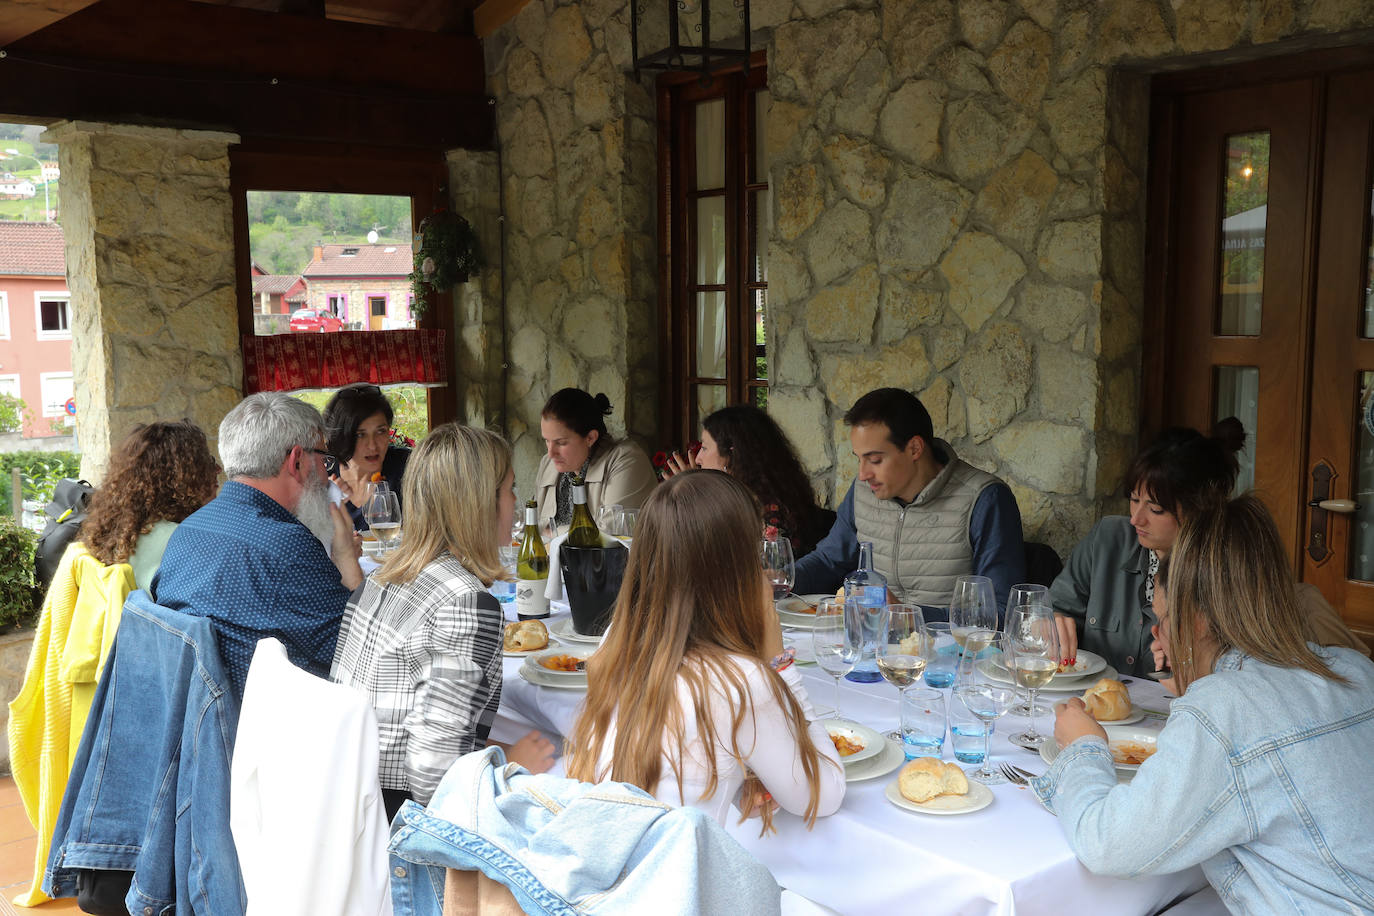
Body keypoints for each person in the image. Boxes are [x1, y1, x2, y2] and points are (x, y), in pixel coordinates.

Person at [1034, 495, 1374, 911]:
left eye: (1162, 619)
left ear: (1196, 619)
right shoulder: (1354, 668)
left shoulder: (1226, 708)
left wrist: (1084, 747)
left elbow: (1106, 844)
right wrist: (1195, 678)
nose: (1156, 635)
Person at [566, 470, 845, 830]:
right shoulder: (739, 680)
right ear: (733, 571)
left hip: (607, 861)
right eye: (756, 553)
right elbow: (823, 795)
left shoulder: (615, 643)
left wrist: (747, 768)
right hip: (672, 879)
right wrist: (779, 663)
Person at [331, 424, 555, 820]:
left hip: (350, 802)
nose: (515, 503)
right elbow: (436, 781)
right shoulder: (467, 602)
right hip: (400, 829)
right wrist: (509, 766)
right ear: (480, 505)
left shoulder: (383, 578)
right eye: (509, 490)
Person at [1050, 423, 1368, 677]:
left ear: (1195, 509)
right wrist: (1047, 621)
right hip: (1096, 712)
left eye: (1156, 508)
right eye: (1134, 499)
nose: (1136, 518)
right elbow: (1055, 608)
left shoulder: (1231, 578)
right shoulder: (1108, 539)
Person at [153, 392, 363, 699]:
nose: (327, 473)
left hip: (198, 721)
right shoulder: (288, 547)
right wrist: (346, 559)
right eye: (323, 457)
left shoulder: (188, 530)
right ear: (297, 460)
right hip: (271, 732)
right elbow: (360, 655)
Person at [792, 387, 1024, 613]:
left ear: (914, 448)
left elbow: (1000, 611)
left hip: (949, 650)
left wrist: (904, 613)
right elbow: (828, 560)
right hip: (871, 645)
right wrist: (779, 580)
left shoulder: (985, 499)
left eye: (874, 460)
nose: (863, 474)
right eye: (859, 459)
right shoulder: (863, 490)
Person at [663, 404, 836, 557]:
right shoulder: (750, 497)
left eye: (705, 448)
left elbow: (708, 559)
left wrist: (692, 495)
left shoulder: (768, 513)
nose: (698, 458)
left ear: (733, 455)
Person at [78, 420, 220, 589]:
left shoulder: (112, 532)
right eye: (206, 463)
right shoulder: (183, 542)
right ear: (179, 478)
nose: (218, 469)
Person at [534, 388, 656, 531]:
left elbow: (610, 535)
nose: (550, 454)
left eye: (561, 443)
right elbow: (532, 527)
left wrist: (552, 533)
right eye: (547, 441)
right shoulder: (549, 464)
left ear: (590, 438)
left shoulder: (627, 461)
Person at [323, 382, 412, 532]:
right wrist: (325, 504)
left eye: (381, 431)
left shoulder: (407, 467)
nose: (372, 446)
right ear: (341, 437)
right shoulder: (324, 475)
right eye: (360, 434)